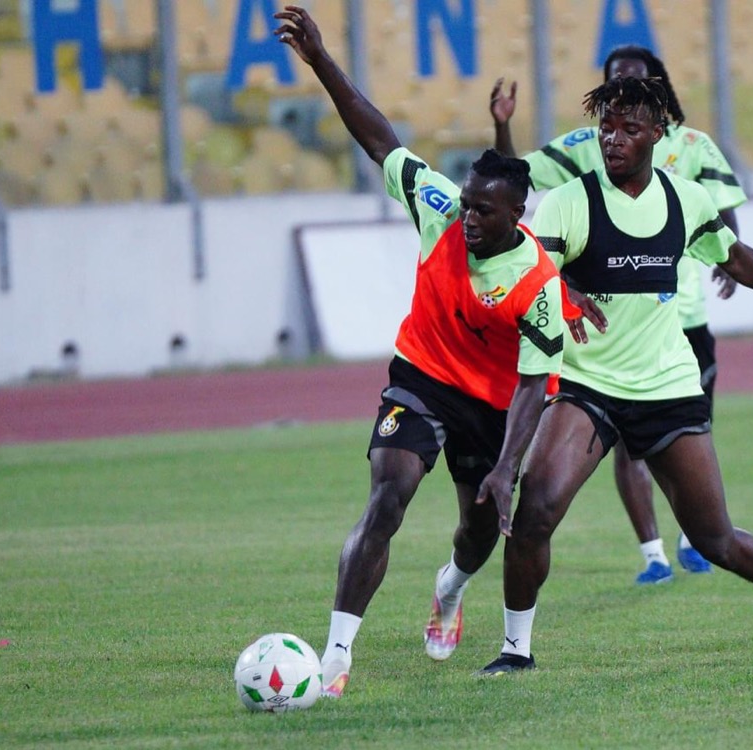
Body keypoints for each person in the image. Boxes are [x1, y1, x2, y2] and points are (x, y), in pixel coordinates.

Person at [477, 76, 753, 675]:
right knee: (535, 511)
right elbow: (535, 268)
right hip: (588, 388)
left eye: (629, 129)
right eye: (605, 127)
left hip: (668, 389)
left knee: (714, 540)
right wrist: (568, 290)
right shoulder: (569, 202)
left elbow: (737, 259)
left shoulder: (686, 200)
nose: (612, 139)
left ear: (658, 136)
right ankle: (516, 652)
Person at [274, 5, 566, 697]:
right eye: (466, 203)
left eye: (484, 212)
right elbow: (380, 137)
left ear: (516, 217)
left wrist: (506, 467)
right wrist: (320, 62)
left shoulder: (538, 285)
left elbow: (533, 386)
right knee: (388, 497)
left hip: (494, 407)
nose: (467, 217)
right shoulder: (439, 208)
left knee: (476, 534)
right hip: (421, 379)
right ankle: (336, 657)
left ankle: (450, 588)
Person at [490, 45, 745, 585]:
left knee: (681, 450)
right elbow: (517, 178)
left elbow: (723, 216)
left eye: (635, 80)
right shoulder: (587, 148)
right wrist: (503, 129)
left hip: (681, 322)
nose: (614, 135)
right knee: (626, 447)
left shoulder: (692, 146)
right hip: (599, 335)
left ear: (657, 91)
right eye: (614, 82)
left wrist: (730, 261)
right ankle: (653, 551)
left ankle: (694, 537)